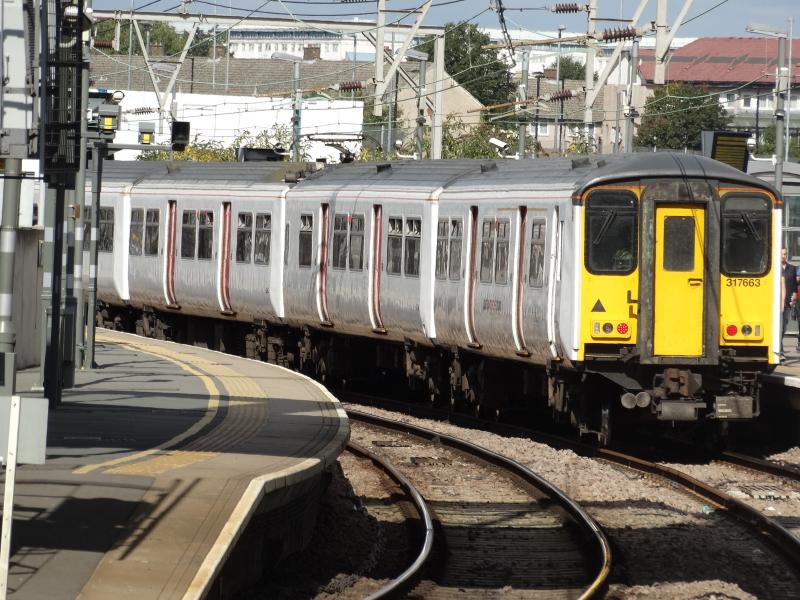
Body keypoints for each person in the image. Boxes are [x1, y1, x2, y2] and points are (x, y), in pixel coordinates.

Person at [781, 247, 798, 359]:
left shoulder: (792, 268)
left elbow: (794, 285)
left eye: (785, 254)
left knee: (784, 326)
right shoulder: (773, 268)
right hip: (776, 302)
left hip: (787, 302)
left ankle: (779, 347)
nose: (784, 256)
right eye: (782, 254)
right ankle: (780, 350)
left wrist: (795, 296)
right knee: (778, 326)